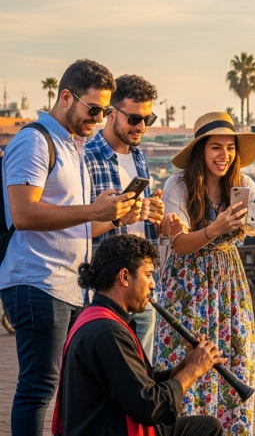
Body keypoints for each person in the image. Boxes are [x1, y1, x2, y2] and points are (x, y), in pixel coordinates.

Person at [0, 59, 139, 436]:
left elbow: (77, 224)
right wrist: (94, 209)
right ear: (66, 97)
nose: (98, 118)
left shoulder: (74, 146)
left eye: (104, 111)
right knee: (38, 387)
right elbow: (23, 213)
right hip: (37, 280)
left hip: (68, 285)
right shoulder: (34, 141)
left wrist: (115, 216)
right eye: (93, 109)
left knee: (67, 387)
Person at [154, 112, 255, 435]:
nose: (224, 155)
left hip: (228, 284)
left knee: (234, 358)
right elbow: (180, 244)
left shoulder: (243, 185)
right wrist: (214, 228)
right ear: (201, 151)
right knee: (184, 359)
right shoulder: (178, 185)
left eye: (230, 148)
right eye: (215, 147)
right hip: (186, 285)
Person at [55, 234, 223, 436]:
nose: (153, 284)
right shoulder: (108, 332)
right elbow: (150, 407)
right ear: (124, 277)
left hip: (111, 424)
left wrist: (186, 364)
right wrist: (193, 370)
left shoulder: (97, 316)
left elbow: (138, 383)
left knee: (208, 426)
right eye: (148, 275)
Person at [84, 74, 164, 362]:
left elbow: (140, 219)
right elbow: (79, 228)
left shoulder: (140, 157)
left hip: (141, 284)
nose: (141, 126)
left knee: (142, 372)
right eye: (133, 118)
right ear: (111, 113)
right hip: (106, 291)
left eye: (147, 119)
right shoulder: (87, 157)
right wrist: (120, 218)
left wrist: (154, 213)